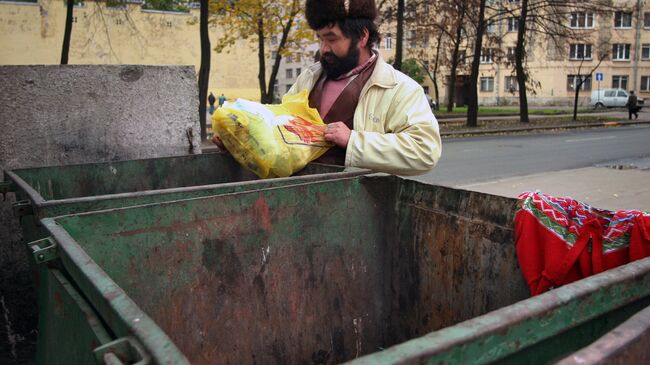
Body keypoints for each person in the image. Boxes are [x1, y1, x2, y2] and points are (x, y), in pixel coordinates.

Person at [285, 0, 441, 176]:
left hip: (360, 201)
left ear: (362, 36)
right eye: (320, 39)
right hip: (296, 193)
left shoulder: (399, 88)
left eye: (331, 39)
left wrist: (353, 141)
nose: (324, 49)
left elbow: (425, 151)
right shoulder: (309, 78)